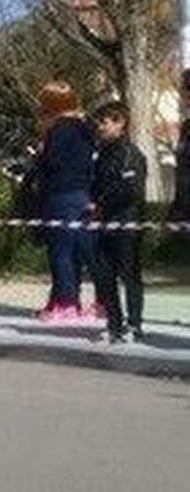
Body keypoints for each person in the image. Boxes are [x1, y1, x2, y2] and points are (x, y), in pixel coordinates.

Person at [30, 80, 97, 323]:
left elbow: (54, 163)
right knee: (75, 252)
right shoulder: (85, 128)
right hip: (82, 193)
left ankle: (66, 304)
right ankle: (69, 301)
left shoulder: (58, 130)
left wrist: (40, 154)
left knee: (60, 252)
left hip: (60, 194)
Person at [90, 100, 147, 344]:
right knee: (104, 275)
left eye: (104, 122)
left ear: (120, 123)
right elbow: (95, 184)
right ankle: (114, 323)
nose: (100, 127)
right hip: (104, 224)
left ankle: (134, 325)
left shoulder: (131, 154)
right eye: (99, 123)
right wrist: (93, 203)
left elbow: (130, 189)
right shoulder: (101, 154)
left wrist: (100, 203)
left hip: (127, 222)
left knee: (129, 274)